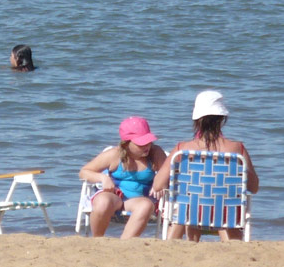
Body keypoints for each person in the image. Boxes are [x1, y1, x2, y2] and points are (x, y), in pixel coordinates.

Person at [151, 90, 259, 242]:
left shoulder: (182, 149)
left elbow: (157, 185)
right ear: (222, 119)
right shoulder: (237, 149)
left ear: (196, 119)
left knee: (189, 202)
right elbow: (254, 187)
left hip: (191, 212)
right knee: (226, 206)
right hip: (226, 213)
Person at [79, 116, 167, 238]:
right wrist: (103, 178)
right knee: (103, 201)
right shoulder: (114, 155)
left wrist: (161, 184)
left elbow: (168, 174)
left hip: (139, 200)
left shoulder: (155, 153)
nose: (146, 146)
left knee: (146, 205)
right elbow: (84, 171)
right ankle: (97, 240)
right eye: (141, 143)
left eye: (148, 141)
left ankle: (124, 244)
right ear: (126, 143)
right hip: (116, 197)